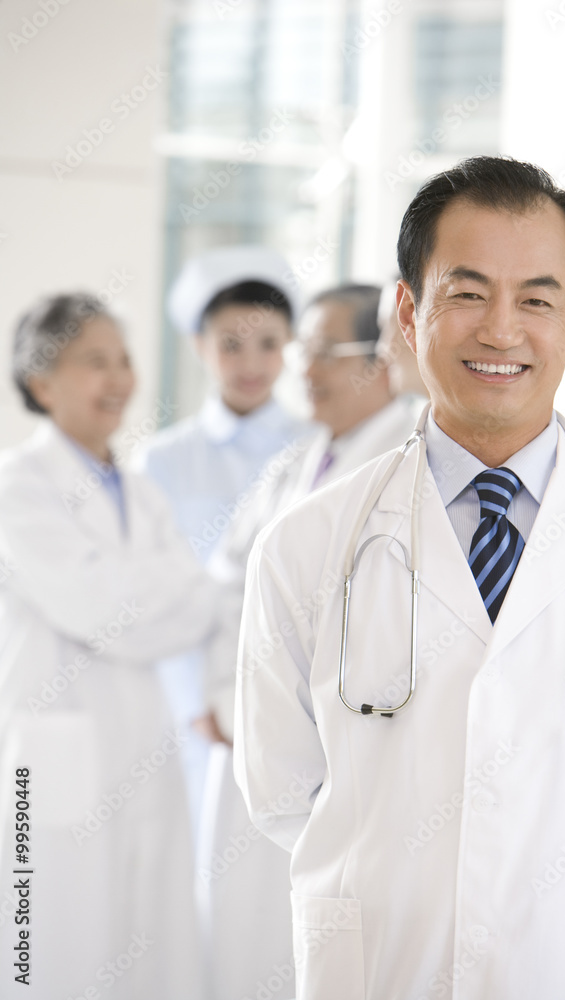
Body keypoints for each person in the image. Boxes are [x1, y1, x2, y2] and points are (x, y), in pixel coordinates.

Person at [234, 157, 565, 1000]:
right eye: (466, 293)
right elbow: (283, 793)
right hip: (388, 967)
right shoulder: (308, 546)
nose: (501, 330)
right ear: (407, 310)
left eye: (536, 300)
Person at [197, 282, 423, 1000]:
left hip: (337, 759)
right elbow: (226, 584)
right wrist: (221, 699)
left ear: (381, 360)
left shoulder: (408, 462)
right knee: (241, 933)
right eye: (306, 349)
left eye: (326, 351)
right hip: (248, 735)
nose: (304, 368)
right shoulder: (299, 463)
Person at [0, 293, 225, 999]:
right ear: (42, 382)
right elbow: (97, 606)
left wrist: (141, 594)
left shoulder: (142, 493)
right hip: (50, 748)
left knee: (146, 943)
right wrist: (153, 592)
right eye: (94, 361)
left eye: (124, 360)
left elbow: (195, 607)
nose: (120, 379)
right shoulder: (16, 486)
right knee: (49, 946)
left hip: (140, 742)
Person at [136, 245, 310, 833]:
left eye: (268, 343)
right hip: (189, 708)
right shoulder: (162, 462)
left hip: (295, 696)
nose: (251, 362)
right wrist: (195, 703)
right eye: (230, 344)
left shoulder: (317, 449)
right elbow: (155, 595)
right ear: (198, 346)